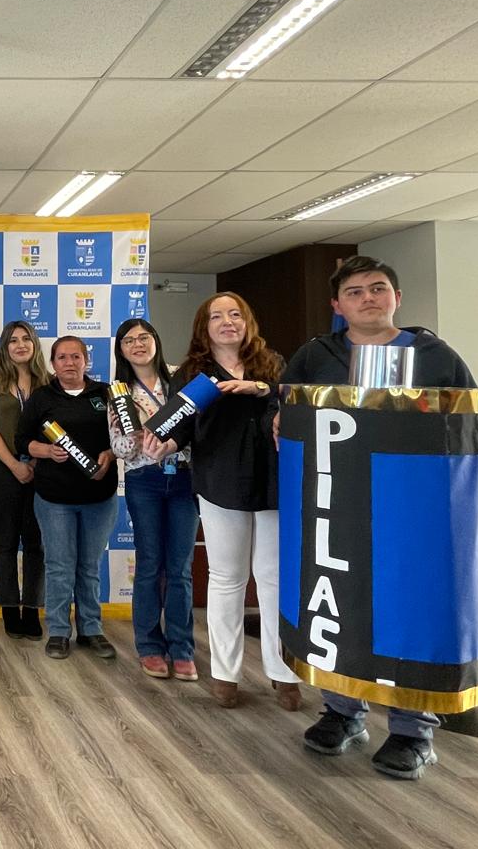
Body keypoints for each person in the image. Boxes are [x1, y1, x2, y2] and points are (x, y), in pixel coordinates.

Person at [281, 255, 475, 780]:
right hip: (334, 506)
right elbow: (285, 414)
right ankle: (342, 712)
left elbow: (464, 427)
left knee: (408, 609)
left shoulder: (436, 356)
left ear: (397, 297)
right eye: (355, 291)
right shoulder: (315, 356)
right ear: (337, 305)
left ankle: (413, 731)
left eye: (378, 288)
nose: (368, 298)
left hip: (411, 513)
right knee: (338, 602)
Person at [165, 292, 301, 711]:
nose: (227, 321)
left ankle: (284, 673)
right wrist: (163, 444)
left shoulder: (272, 364)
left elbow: (295, 403)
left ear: (247, 322)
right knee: (227, 578)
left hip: (274, 482)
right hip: (220, 483)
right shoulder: (192, 373)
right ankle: (226, 673)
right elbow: (178, 428)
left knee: (274, 577)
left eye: (235, 314)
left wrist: (260, 389)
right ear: (204, 327)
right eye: (217, 316)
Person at [16, 335, 117, 661]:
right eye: (62, 357)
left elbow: (123, 439)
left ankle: (91, 629)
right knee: (59, 567)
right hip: (54, 498)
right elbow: (21, 440)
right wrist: (45, 450)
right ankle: (59, 631)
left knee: (89, 567)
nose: (70, 363)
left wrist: (110, 454)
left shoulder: (106, 394)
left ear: (87, 360)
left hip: (99, 497)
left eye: (76, 357)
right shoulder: (42, 397)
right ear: (53, 364)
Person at [109, 319, 199, 681]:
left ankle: (182, 648)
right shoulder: (119, 391)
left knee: (180, 568)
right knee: (149, 565)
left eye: (143, 337)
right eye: (129, 341)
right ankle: (149, 646)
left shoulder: (181, 378)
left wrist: (173, 438)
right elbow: (119, 448)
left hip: (184, 478)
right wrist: (138, 436)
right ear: (121, 350)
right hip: (144, 481)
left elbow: (198, 426)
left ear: (156, 340)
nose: (138, 344)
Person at [0, 320, 48, 640]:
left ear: (34, 344)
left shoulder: (48, 383)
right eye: (13, 340)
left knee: (36, 542)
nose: (20, 345)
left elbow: (55, 428)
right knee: (4, 541)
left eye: (26, 339)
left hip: (42, 470)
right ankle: (9, 608)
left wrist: (33, 462)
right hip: (2, 470)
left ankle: (32, 609)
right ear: (5, 347)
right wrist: (14, 464)